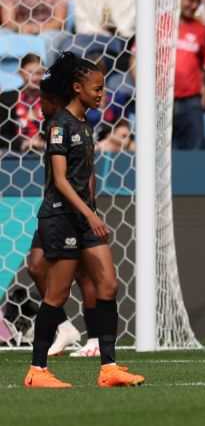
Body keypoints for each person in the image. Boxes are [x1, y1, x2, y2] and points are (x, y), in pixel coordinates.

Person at [25, 52, 144, 388]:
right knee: (57, 295)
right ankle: (37, 372)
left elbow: (85, 174)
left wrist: (91, 210)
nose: (101, 94)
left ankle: (109, 368)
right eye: (96, 88)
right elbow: (61, 181)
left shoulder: (85, 125)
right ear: (77, 88)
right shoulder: (60, 124)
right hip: (61, 218)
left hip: (84, 216)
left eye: (103, 89)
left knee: (108, 286)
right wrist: (89, 213)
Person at [25, 72, 99, 359]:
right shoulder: (54, 125)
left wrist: (89, 207)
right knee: (36, 267)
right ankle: (66, 327)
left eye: (44, 99)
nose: (39, 105)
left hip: (75, 209)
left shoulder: (76, 124)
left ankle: (94, 339)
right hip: (53, 208)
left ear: (55, 100)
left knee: (83, 274)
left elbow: (87, 169)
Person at [174, 0, 205, 150]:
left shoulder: (202, 30)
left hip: (191, 101)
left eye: (198, 1)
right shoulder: (159, 23)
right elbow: (136, 59)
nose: (194, 5)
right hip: (161, 101)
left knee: (194, 151)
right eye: (189, 0)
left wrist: (204, 88)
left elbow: (204, 65)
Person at [0, 54, 47, 153]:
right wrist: (22, 144)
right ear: (20, 73)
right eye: (29, 73)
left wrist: (46, 143)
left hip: (46, 152)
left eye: (38, 73)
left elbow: (61, 129)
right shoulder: (6, 99)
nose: (34, 78)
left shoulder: (53, 100)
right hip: (14, 154)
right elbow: (2, 134)